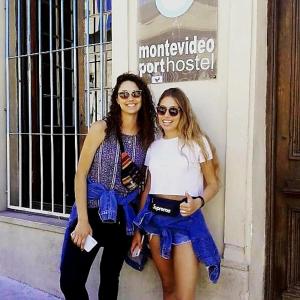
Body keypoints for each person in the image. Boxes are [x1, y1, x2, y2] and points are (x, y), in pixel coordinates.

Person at [60, 73, 156, 300]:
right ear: (116, 99)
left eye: (135, 93)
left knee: (110, 280)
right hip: (92, 214)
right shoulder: (101, 129)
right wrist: (82, 220)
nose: (130, 98)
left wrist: (138, 229)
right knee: (70, 280)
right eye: (124, 94)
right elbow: (80, 174)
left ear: (142, 98)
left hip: (123, 218)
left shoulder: (148, 138)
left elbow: (145, 188)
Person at [131, 88, 221, 300]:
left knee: (185, 296)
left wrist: (198, 202)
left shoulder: (198, 143)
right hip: (154, 222)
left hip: (185, 223)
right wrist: (138, 230)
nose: (166, 116)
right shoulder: (153, 147)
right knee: (168, 289)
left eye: (173, 111)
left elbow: (213, 184)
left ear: (184, 113)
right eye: (162, 110)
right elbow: (147, 191)